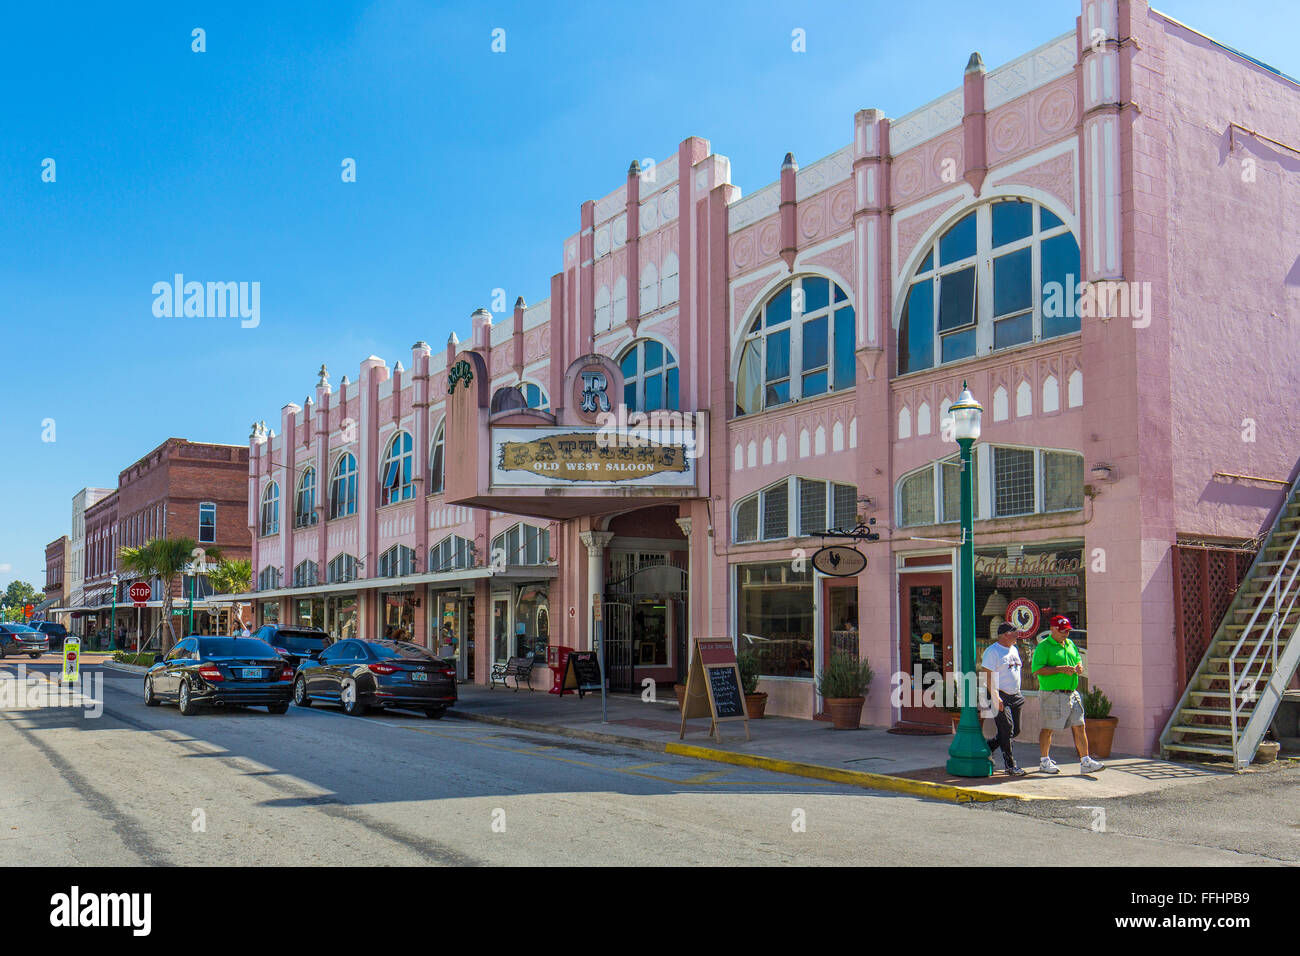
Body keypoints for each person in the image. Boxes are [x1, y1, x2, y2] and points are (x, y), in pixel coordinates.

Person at [1031, 615, 1105, 774]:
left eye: (1067, 631)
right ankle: (1044, 761)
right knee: (1048, 728)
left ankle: (1085, 761)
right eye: (1062, 630)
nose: (1066, 634)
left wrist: (1079, 667)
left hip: (1072, 693)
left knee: (1080, 726)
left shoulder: (1070, 644)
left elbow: (1078, 660)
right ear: (1053, 629)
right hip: (1052, 694)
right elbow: (1037, 670)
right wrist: (1059, 669)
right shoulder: (1043, 647)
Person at [980, 622, 1027, 775]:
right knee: (1006, 729)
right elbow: (987, 675)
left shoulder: (1014, 649)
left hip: (1015, 695)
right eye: (1015, 633)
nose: (1017, 636)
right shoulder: (992, 651)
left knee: (1016, 730)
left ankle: (990, 747)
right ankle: (1010, 765)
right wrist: (995, 697)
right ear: (1005, 635)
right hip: (999, 694)